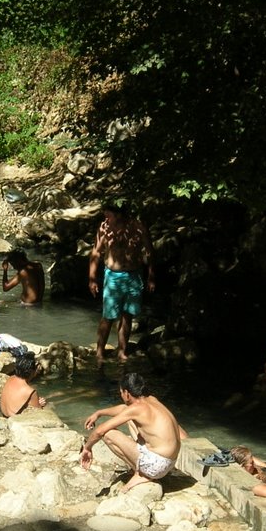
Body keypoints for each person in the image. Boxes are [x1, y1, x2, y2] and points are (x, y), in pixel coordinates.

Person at [80, 372, 182, 493]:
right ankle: (143, 470)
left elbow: (100, 431)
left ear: (127, 394)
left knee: (107, 433)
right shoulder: (151, 400)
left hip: (157, 466)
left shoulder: (137, 409)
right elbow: (125, 410)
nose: (121, 395)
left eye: (121, 392)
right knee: (128, 416)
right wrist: (99, 413)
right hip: (169, 462)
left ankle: (141, 474)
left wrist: (87, 448)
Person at [88, 202, 154, 365]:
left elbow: (150, 251)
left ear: (119, 214)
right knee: (108, 316)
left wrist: (151, 276)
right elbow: (96, 253)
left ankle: (122, 351)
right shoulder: (105, 228)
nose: (106, 217)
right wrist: (92, 278)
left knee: (127, 314)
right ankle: (100, 352)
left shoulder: (137, 227)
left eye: (108, 214)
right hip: (113, 277)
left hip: (134, 275)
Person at [0, 351, 47, 416]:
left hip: (4, 414)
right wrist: (41, 405)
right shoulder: (30, 391)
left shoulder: (10, 378)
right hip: (14, 421)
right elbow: (38, 413)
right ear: (32, 371)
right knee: (49, 406)